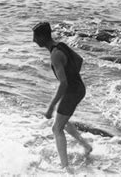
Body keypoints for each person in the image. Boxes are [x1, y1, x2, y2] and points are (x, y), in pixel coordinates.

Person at [32, 22, 92, 171]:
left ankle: (66, 168)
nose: (33, 40)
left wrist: (50, 107)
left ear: (42, 37)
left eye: (35, 37)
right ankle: (86, 145)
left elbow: (63, 84)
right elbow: (79, 60)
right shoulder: (61, 46)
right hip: (78, 88)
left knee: (56, 128)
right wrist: (72, 76)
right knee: (62, 121)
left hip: (72, 91)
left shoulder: (55, 55)